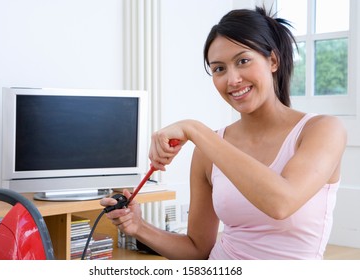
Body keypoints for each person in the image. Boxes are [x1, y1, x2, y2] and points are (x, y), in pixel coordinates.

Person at [100, 6, 347, 259]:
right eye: (219, 69)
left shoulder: (323, 130)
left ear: (272, 61)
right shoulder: (208, 150)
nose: (232, 80)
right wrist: (139, 228)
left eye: (243, 61)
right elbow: (197, 249)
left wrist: (194, 129)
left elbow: (281, 203)